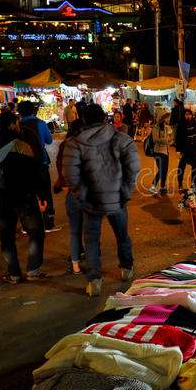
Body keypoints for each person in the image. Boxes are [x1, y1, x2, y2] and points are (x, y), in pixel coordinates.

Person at [63, 104, 140, 297]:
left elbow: (70, 175)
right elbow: (134, 167)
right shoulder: (123, 139)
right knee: (122, 235)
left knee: (91, 240)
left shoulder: (74, 143)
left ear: (84, 120)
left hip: (91, 201)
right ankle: (126, 268)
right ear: (106, 119)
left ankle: (94, 280)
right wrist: (125, 191)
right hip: (117, 198)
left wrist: (83, 194)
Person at [0, 111, 49, 284]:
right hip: (24, 195)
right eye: (16, 123)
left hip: (1, 197)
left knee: (7, 235)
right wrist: (42, 195)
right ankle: (33, 270)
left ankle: (14, 274)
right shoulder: (22, 146)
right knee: (36, 232)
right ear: (11, 125)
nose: (19, 126)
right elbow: (35, 173)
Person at [18, 101, 56, 231]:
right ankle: (48, 221)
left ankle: (27, 224)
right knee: (45, 190)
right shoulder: (40, 123)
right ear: (33, 111)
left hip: (23, 163)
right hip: (40, 162)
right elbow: (49, 140)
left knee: (26, 192)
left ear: (19, 113)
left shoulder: (18, 125)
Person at [54, 121, 85, 275]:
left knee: (75, 230)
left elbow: (60, 166)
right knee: (91, 229)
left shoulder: (65, 146)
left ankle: (76, 266)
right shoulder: (89, 145)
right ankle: (93, 264)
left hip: (72, 192)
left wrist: (64, 184)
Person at [175, 107, 196, 191]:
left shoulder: (194, 123)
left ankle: (194, 183)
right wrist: (177, 150)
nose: (188, 116)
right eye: (186, 114)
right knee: (181, 167)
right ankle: (180, 184)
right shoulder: (180, 125)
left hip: (193, 149)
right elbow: (178, 138)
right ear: (183, 115)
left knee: (195, 167)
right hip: (184, 149)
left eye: (189, 114)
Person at [148, 108, 171, 195]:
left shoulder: (165, 127)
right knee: (161, 170)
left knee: (165, 170)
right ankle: (153, 185)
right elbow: (155, 139)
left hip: (166, 151)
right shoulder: (155, 127)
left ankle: (162, 187)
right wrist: (165, 140)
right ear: (161, 118)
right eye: (165, 117)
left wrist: (168, 139)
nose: (167, 119)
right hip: (158, 151)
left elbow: (169, 136)